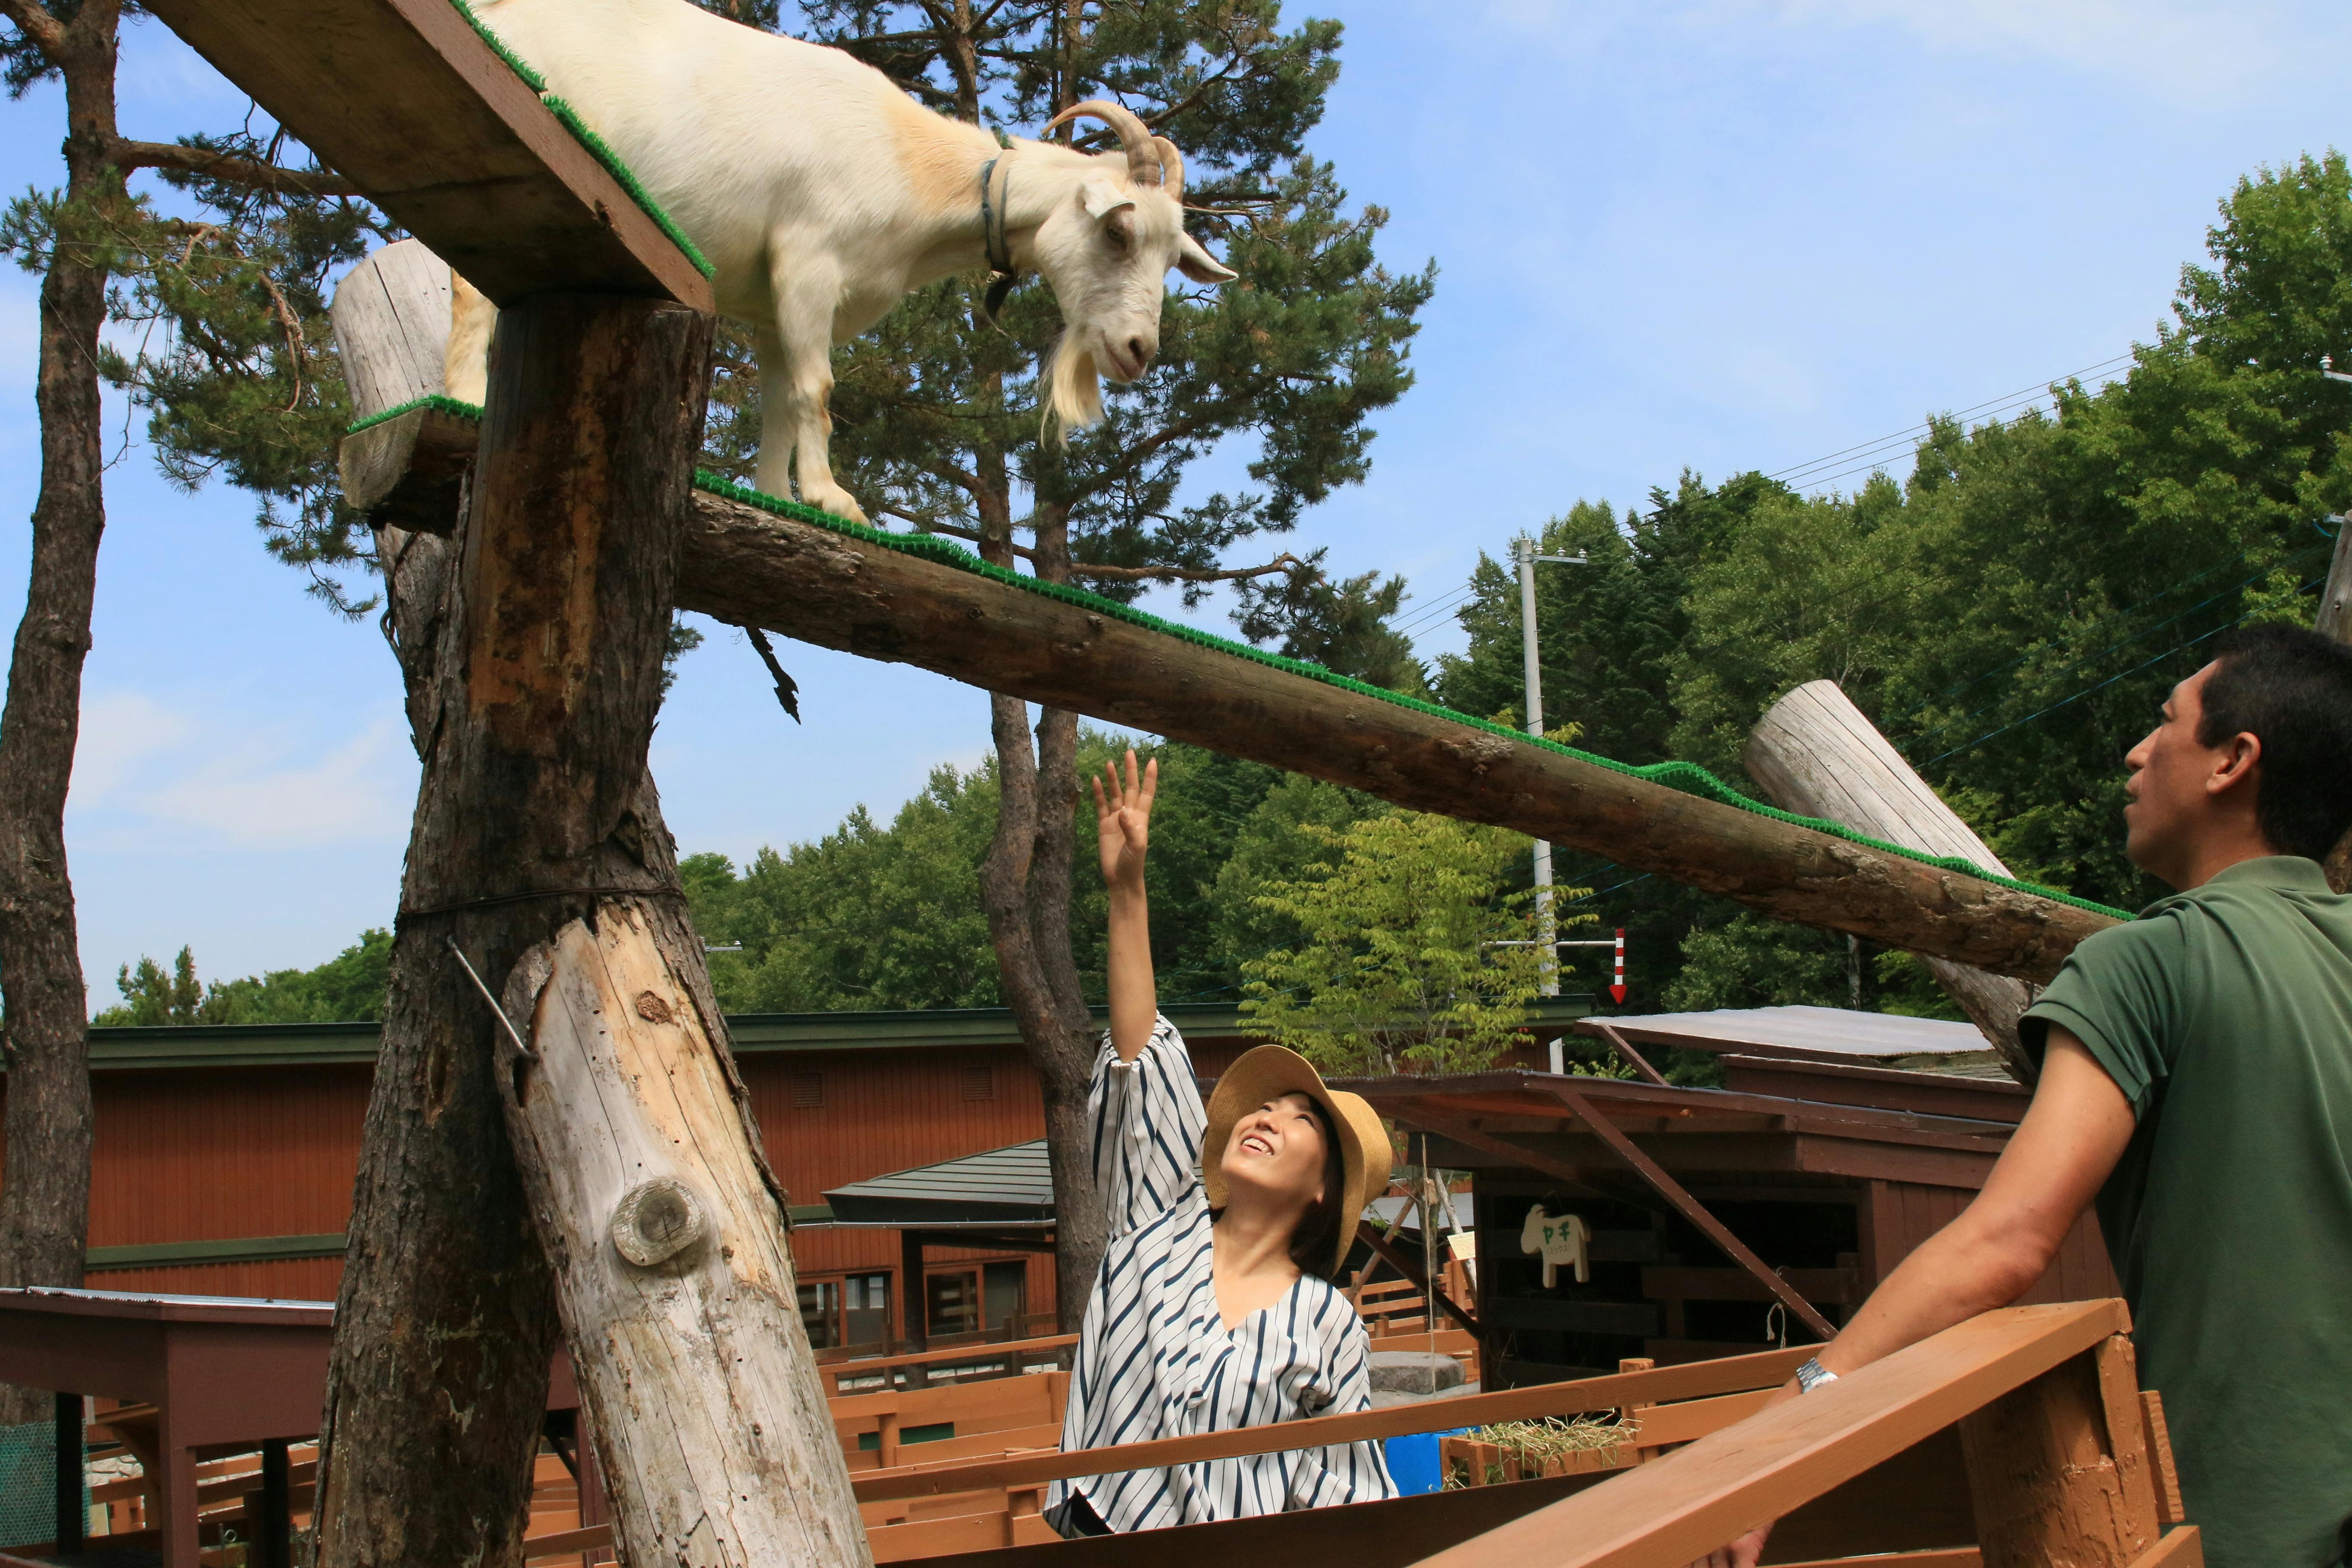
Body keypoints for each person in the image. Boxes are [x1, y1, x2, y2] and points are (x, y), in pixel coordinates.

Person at [1686, 625, 2352, 1568]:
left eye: (2167, 724)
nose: (2136, 751)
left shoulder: (2149, 962)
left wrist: (1773, 1444)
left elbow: (2006, 1244)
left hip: (2255, 1533)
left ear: (2233, 763)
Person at [1043, 750, 1399, 1536]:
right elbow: (1141, 1052)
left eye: (1300, 1119)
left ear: (1323, 1190)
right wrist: (1128, 889)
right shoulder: (1159, 1216)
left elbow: (1345, 1492)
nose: (1265, 1117)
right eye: (1262, 1105)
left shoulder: (1325, 1323)